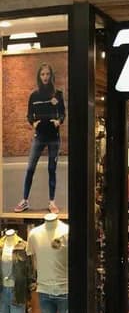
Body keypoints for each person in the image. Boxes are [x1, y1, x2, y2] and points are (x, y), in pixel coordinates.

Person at [14, 63, 66, 214]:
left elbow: (63, 113)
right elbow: (29, 114)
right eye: (42, 74)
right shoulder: (34, 96)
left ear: (51, 76)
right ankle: (24, 200)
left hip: (54, 138)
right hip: (39, 137)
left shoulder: (58, 94)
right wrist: (33, 123)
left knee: (52, 169)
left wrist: (59, 121)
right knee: (30, 168)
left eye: (47, 74)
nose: (45, 77)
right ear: (39, 76)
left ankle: (52, 202)